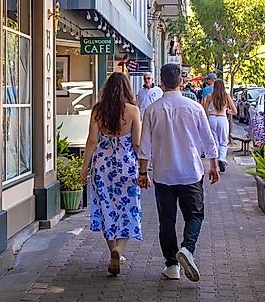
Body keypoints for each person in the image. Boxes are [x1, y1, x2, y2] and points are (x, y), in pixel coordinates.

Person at [139, 63, 220, 282]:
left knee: (166, 220)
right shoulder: (194, 108)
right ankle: (187, 248)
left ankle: (171, 265)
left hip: (163, 174)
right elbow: (208, 138)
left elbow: (144, 146)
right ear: (181, 83)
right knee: (195, 215)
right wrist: (213, 164)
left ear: (161, 83)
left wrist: (143, 172)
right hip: (190, 173)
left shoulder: (152, 110)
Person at [80, 72, 143, 276]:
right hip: (126, 165)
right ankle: (119, 249)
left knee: (106, 206)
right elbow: (137, 143)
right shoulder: (133, 111)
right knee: (128, 207)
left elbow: (91, 141)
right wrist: (144, 169)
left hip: (102, 165)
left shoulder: (98, 110)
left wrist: (84, 168)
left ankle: (112, 250)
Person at [202, 79, 236, 173]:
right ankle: (222, 159)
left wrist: (210, 111)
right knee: (223, 141)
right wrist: (228, 111)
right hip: (222, 118)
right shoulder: (226, 97)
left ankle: (216, 160)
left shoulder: (210, 96)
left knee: (215, 141)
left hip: (212, 119)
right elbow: (235, 111)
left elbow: (205, 110)